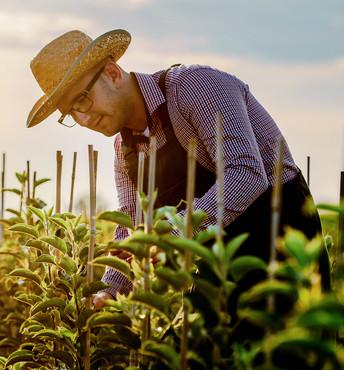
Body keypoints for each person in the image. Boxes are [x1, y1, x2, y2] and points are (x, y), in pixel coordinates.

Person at [26, 29, 331, 342]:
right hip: (218, 267)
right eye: (71, 113)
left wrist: (170, 236)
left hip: (281, 246)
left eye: (82, 100)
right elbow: (134, 227)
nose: (85, 119)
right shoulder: (124, 151)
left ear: (113, 73)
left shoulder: (194, 88)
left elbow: (246, 173)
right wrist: (110, 291)